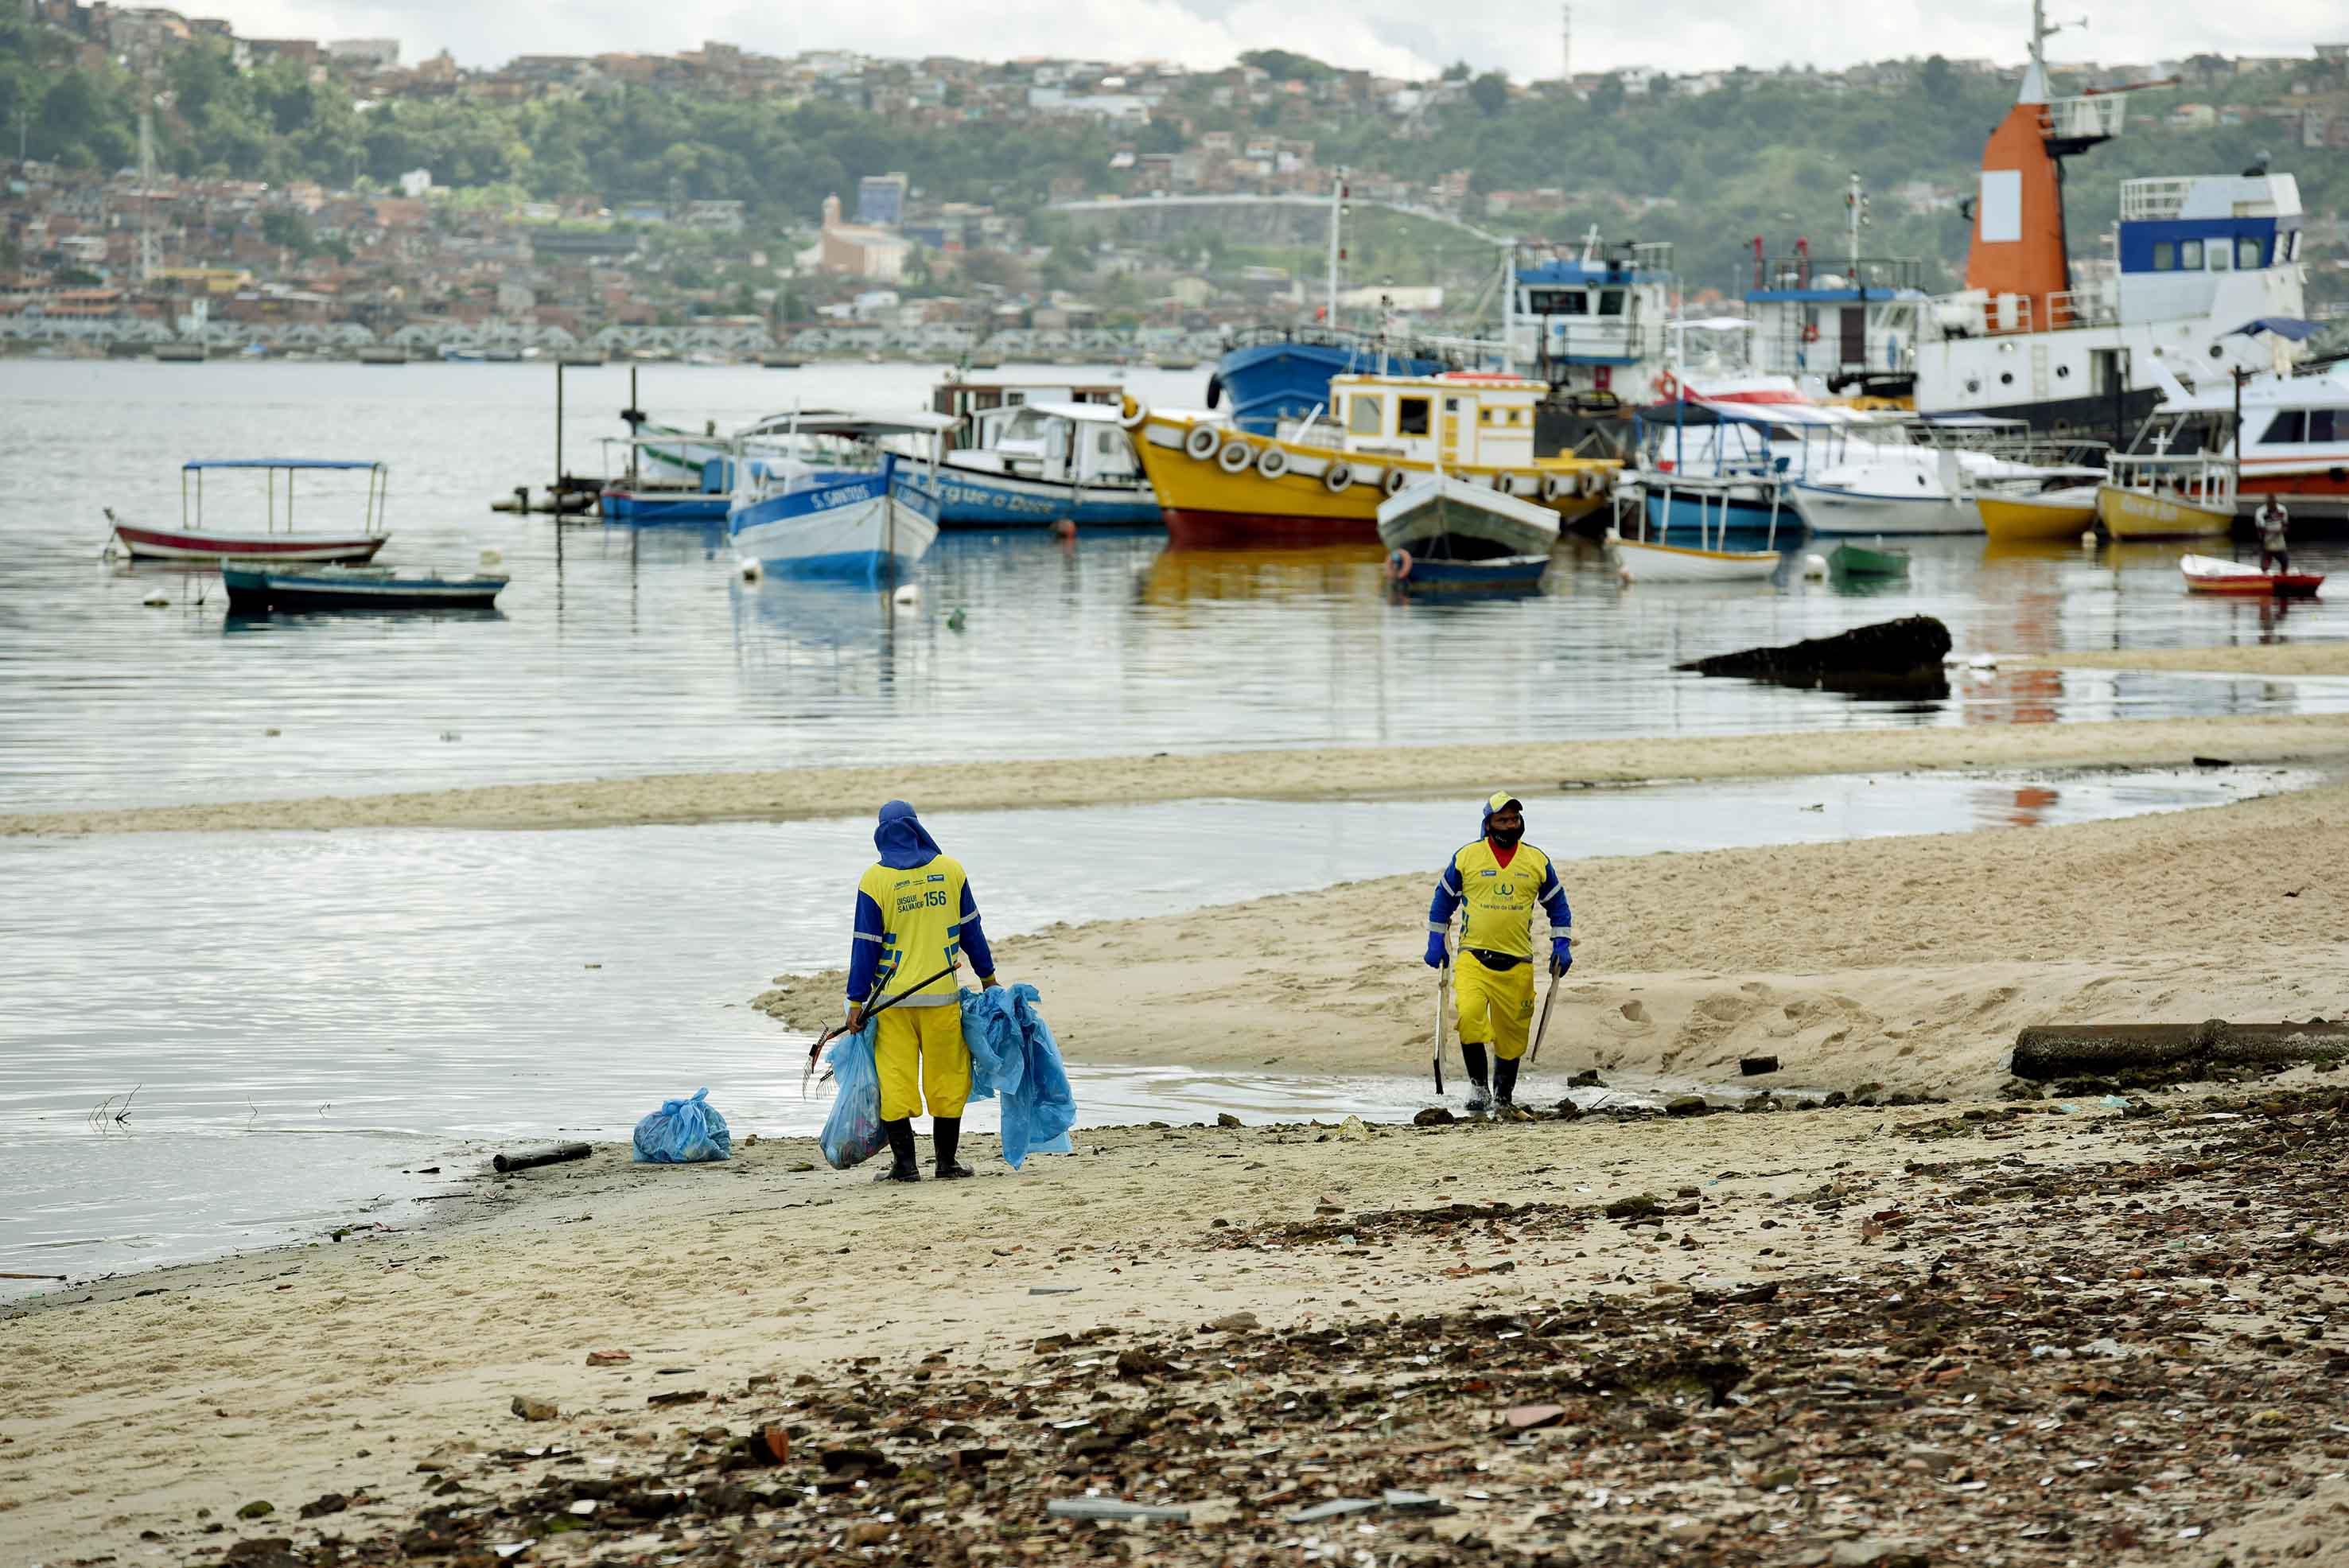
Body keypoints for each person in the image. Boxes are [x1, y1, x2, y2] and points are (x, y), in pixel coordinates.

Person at [846, 800, 1001, 1183]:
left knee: (895, 1079)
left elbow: (865, 944)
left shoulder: (875, 880)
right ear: (917, 827)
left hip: (891, 1001)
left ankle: (905, 1166)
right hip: (941, 998)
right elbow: (972, 929)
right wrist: (988, 977)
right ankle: (946, 1164)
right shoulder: (950, 871)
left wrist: (855, 1001)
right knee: (947, 1077)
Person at [1423, 792, 1573, 1115]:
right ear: (1488, 823)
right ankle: (1479, 1089)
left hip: (1518, 963)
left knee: (1512, 1036)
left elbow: (1558, 906)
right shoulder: (1467, 858)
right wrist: (1436, 941)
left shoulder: (1536, 861)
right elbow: (1443, 900)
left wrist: (1562, 944)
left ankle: (1503, 1097)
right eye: (1503, 819)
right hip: (1473, 959)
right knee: (1470, 1017)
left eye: (1514, 819)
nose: (1510, 824)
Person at [2257, 496, 2290, 576]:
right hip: (2267, 540)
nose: (2272, 506)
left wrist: (2282, 530)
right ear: (2267, 504)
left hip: (2279, 540)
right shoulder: (2260, 512)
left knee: (2285, 562)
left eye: (2273, 504)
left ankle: (2283, 576)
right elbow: (2261, 529)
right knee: (2264, 567)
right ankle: (2265, 577)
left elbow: (2285, 525)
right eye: (2269, 504)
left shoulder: (2282, 510)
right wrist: (2271, 533)